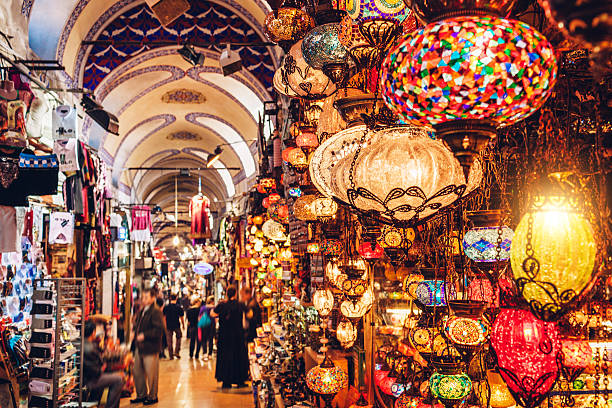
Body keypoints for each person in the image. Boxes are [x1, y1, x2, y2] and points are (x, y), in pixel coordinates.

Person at [211, 286, 249, 389]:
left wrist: (220, 315)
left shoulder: (222, 305)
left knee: (225, 358)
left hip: (225, 336)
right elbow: (250, 314)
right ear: (235, 294)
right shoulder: (239, 305)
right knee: (238, 357)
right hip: (237, 335)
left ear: (227, 293)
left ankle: (226, 382)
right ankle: (239, 381)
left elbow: (213, 313)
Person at [131, 287, 164, 405]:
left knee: (151, 374)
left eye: (146, 297)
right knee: (137, 371)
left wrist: (144, 335)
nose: (143, 300)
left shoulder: (155, 311)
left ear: (153, 298)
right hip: (139, 347)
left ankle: (152, 396)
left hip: (150, 347)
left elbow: (159, 329)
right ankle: (141, 394)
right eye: (142, 297)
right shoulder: (142, 310)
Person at [83, 321, 125, 408]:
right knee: (118, 379)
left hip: (85, 379)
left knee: (109, 377)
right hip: (89, 380)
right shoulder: (90, 347)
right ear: (93, 332)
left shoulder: (82, 343)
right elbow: (96, 372)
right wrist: (103, 367)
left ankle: (94, 403)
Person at [162, 294, 184, 359]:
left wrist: (165, 325)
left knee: (169, 340)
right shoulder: (179, 307)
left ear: (170, 298)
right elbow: (181, 317)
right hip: (177, 325)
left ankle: (171, 355)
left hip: (168, 325)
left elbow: (164, 317)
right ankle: (177, 351)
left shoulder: (166, 307)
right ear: (176, 298)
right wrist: (183, 325)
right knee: (179, 337)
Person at [199, 296, 216, 361]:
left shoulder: (203, 308)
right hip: (212, 324)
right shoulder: (214, 307)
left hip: (204, 324)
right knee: (211, 339)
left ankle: (205, 353)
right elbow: (216, 316)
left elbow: (200, 317)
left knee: (204, 339)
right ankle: (210, 354)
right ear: (212, 301)